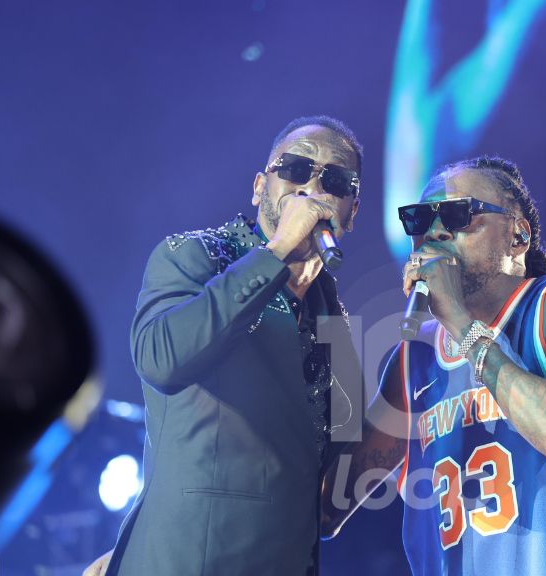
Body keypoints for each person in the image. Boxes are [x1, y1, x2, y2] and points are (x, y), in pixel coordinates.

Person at [322, 156, 546, 575]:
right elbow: (327, 509)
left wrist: (461, 323)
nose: (435, 231)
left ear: (518, 235)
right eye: (421, 219)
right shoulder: (412, 361)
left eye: (459, 214)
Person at [85, 115, 365, 576]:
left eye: (334, 179)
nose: (312, 187)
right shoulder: (195, 256)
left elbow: (332, 481)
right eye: (295, 169)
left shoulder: (332, 313)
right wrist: (275, 252)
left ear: (351, 210)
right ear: (260, 187)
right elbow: (162, 358)